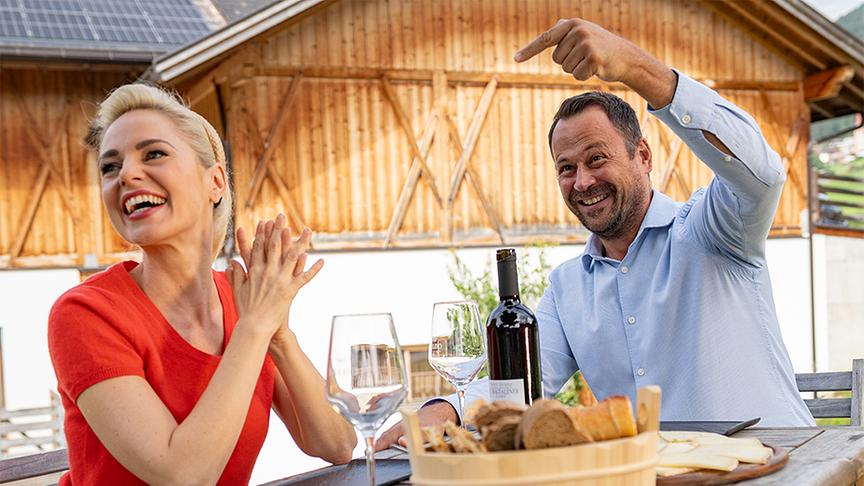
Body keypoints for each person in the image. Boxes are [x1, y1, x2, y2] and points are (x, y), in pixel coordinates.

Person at [379, 17, 814, 449]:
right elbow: (520, 388)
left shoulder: (714, 229)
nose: (582, 182)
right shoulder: (567, 288)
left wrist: (636, 69)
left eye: (596, 158)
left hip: (785, 467)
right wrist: (445, 410)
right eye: (566, 168)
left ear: (642, 155)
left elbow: (762, 174)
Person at [47, 84, 357, 485]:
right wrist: (256, 326)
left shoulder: (243, 303)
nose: (125, 174)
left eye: (153, 153)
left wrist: (278, 334)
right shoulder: (86, 313)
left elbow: (337, 443)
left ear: (215, 182)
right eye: (110, 167)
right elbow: (182, 476)